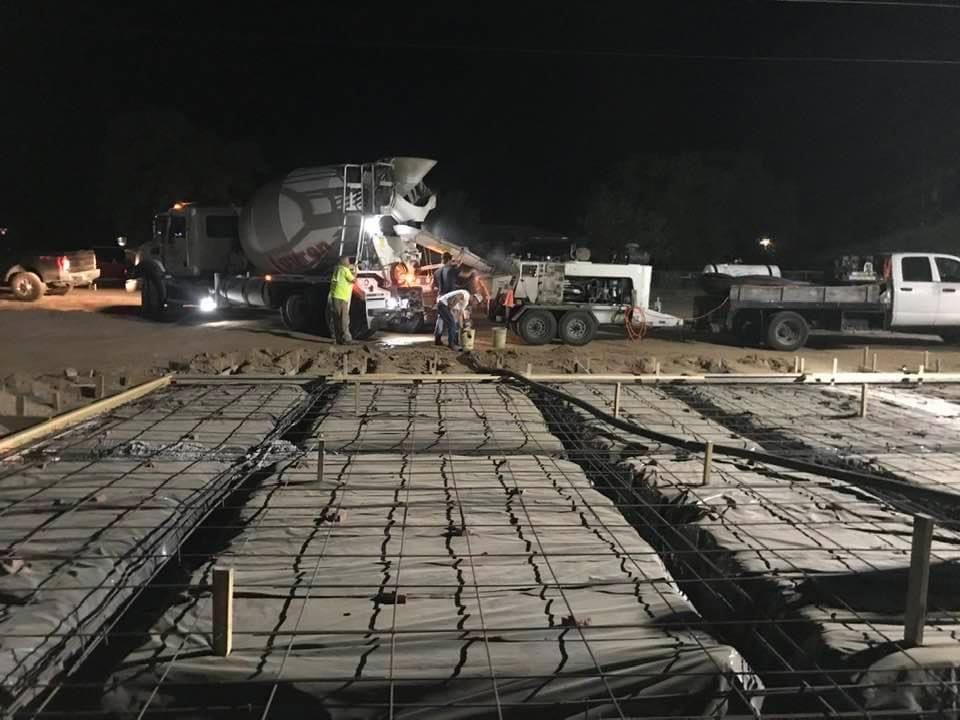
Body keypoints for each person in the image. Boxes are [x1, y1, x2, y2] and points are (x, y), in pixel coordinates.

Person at [327, 255, 356, 344]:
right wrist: (355, 272)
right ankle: (347, 339)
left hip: (335, 295)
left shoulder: (337, 269)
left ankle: (337, 338)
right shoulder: (345, 270)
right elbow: (353, 280)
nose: (349, 262)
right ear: (344, 262)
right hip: (342, 297)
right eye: (348, 261)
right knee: (344, 319)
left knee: (336, 318)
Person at [433, 252, 459, 346]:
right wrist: (462, 254)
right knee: (453, 318)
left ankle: (437, 339)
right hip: (449, 298)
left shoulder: (437, 272)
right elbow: (458, 264)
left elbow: (434, 286)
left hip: (440, 296)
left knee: (440, 318)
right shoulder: (452, 270)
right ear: (449, 260)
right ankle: (453, 341)